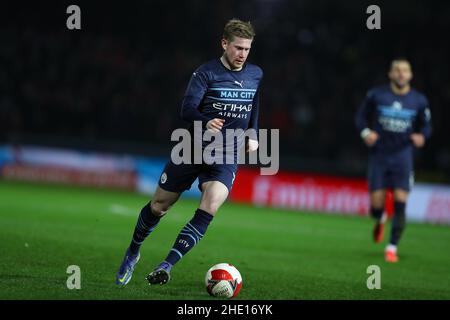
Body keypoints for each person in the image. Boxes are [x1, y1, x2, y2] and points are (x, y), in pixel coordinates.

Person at [116, 19, 263, 286]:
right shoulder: (205, 73)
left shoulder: (255, 74)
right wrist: (205, 120)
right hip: (192, 148)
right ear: (224, 43)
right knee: (159, 207)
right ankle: (133, 252)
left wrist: (253, 133)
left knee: (211, 204)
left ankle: (166, 265)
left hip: (226, 154)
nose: (243, 54)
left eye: (247, 49)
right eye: (238, 48)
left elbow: (254, 104)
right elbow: (186, 109)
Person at [355, 59, 432, 263]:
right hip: (379, 155)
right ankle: (380, 217)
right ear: (390, 74)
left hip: (403, 157)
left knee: (400, 203)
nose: (401, 73)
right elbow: (361, 117)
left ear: (410, 75)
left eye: (405, 70)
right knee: (376, 206)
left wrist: (422, 136)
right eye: (397, 70)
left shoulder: (419, 100)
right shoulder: (376, 95)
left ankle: (391, 247)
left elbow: (427, 126)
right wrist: (365, 133)